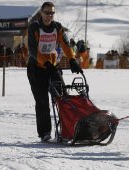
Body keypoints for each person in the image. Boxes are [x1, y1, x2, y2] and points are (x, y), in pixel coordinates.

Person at [27, 2, 82, 142]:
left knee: (64, 97)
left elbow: (66, 44)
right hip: (36, 68)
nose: (49, 16)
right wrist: (44, 62)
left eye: (52, 13)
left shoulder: (57, 27)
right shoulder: (34, 27)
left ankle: (68, 129)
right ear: (41, 13)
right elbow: (33, 50)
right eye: (47, 13)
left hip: (52, 66)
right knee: (42, 102)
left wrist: (72, 60)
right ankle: (45, 133)